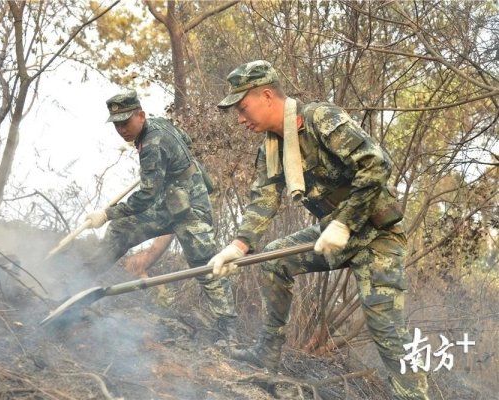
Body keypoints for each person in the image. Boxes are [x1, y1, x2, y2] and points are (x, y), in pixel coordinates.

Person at [208, 60, 429, 399]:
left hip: (375, 235)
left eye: (243, 107)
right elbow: (263, 201)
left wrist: (345, 222)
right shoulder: (271, 147)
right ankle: (267, 351)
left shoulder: (319, 118)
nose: (240, 118)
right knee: (272, 262)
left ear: (266, 96)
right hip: (333, 233)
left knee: (387, 331)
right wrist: (238, 247)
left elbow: (376, 164)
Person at [85, 89, 237, 340]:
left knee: (203, 262)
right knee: (122, 229)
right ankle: (85, 278)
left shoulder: (151, 145)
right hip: (170, 203)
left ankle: (227, 327)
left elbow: (146, 196)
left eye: (126, 122)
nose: (121, 129)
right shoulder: (157, 124)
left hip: (192, 207)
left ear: (141, 116)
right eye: (117, 125)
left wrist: (107, 213)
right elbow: (186, 140)